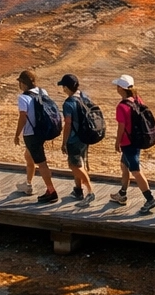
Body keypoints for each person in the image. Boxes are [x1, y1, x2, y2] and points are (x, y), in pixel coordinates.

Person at [111, 75, 155, 212]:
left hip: (128, 142)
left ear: (121, 88)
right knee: (124, 166)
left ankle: (150, 199)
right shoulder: (137, 99)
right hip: (137, 139)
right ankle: (122, 194)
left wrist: (117, 142)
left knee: (136, 171)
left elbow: (121, 127)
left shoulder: (121, 106)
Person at [13, 70, 59, 203]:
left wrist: (17, 134)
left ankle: (51, 191)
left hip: (31, 134)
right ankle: (28, 183)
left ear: (23, 83)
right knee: (28, 156)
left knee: (41, 163)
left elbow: (23, 117)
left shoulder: (23, 98)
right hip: (41, 131)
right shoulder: (42, 92)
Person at [58, 74, 95, 206]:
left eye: (63, 86)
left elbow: (68, 124)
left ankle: (90, 192)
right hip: (85, 136)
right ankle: (78, 190)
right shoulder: (84, 96)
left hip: (74, 139)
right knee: (80, 163)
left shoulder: (68, 103)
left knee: (74, 166)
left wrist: (64, 142)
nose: (63, 89)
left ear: (67, 88)